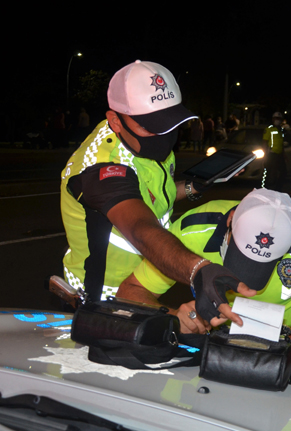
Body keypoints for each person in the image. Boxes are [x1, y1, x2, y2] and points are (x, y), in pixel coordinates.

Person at [60, 60, 254, 327]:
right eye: (151, 125)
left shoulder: (144, 144)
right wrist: (198, 269)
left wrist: (196, 186)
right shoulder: (99, 168)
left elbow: (152, 200)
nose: (164, 135)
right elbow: (140, 226)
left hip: (145, 284)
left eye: (170, 123)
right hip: (102, 302)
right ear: (116, 121)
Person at [117, 188, 291, 353]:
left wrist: (269, 339)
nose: (247, 283)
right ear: (230, 222)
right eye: (241, 258)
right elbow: (130, 291)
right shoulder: (192, 230)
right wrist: (172, 318)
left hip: (289, 343)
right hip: (210, 344)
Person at [263, 112, 287, 191]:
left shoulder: (281, 130)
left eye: (279, 119)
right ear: (273, 119)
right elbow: (265, 142)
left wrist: (283, 154)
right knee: (269, 173)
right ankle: (265, 189)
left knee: (283, 172)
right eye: (276, 119)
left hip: (279, 154)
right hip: (271, 154)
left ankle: (278, 189)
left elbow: (281, 143)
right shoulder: (269, 129)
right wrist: (265, 154)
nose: (278, 121)